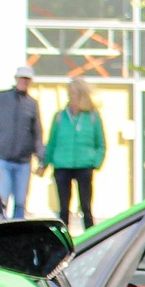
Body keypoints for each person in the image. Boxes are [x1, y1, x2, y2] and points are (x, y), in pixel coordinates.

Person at [43, 77, 107, 231]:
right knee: (63, 208)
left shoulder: (92, 116)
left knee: (86, 206)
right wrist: (45, 163)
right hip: (62, 165)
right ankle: (64, 241)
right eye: (70, 94)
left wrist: (95, 162)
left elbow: (101, 143)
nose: (71, 97)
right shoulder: (60, 116)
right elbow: (52, 142)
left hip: (84, 165)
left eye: (74, 94)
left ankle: (91, 237)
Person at [0, 64, 42, 220]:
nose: (24, 81)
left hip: (23, 161)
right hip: (1, 158)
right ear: (16, 79)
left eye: (27, 79)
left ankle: (17, 236)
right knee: (2, 200)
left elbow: (36, 132)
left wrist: (41, 158)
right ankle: (0, 233)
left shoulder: (32, 104)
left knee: (21, 203)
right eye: (22, 78)